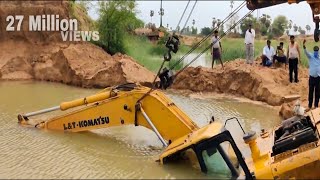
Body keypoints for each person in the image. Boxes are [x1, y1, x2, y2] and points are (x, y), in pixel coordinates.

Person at [303, 39, 320, 109]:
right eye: (315, 51)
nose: (316, 52)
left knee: (317, 92)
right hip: (312, 77)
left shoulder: (319, 58)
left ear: (318, 51)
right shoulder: (311, 56)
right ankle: (310, 105)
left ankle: (316, 105)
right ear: (314, 51)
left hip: (318, 77)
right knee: (311, 91)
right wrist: (304, 45)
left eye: (317, 51)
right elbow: (306, 52)